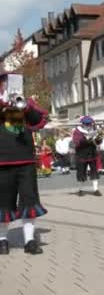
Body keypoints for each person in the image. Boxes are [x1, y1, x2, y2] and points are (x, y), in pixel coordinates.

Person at [0, 93, 48, 255]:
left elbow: (39, 120)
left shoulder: (25, 102)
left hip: (26, 161)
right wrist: (3, 104)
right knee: (3, 203)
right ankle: (2, 240)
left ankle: (30, 241)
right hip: (2, 162)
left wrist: (26, 107)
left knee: (29, 201)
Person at [73, 116, 103, 196]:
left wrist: (98, 138)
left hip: (92, 154)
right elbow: (77, 143)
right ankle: (81, 189)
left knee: (94, 172)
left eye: (89, 124)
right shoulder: (77, 131)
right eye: (87, 124)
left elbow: (98, 142)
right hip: (81, 154)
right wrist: (86, 139)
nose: (89, 125)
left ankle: (96, 189)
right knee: (82, 172)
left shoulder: (93, 130)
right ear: (83, 124)